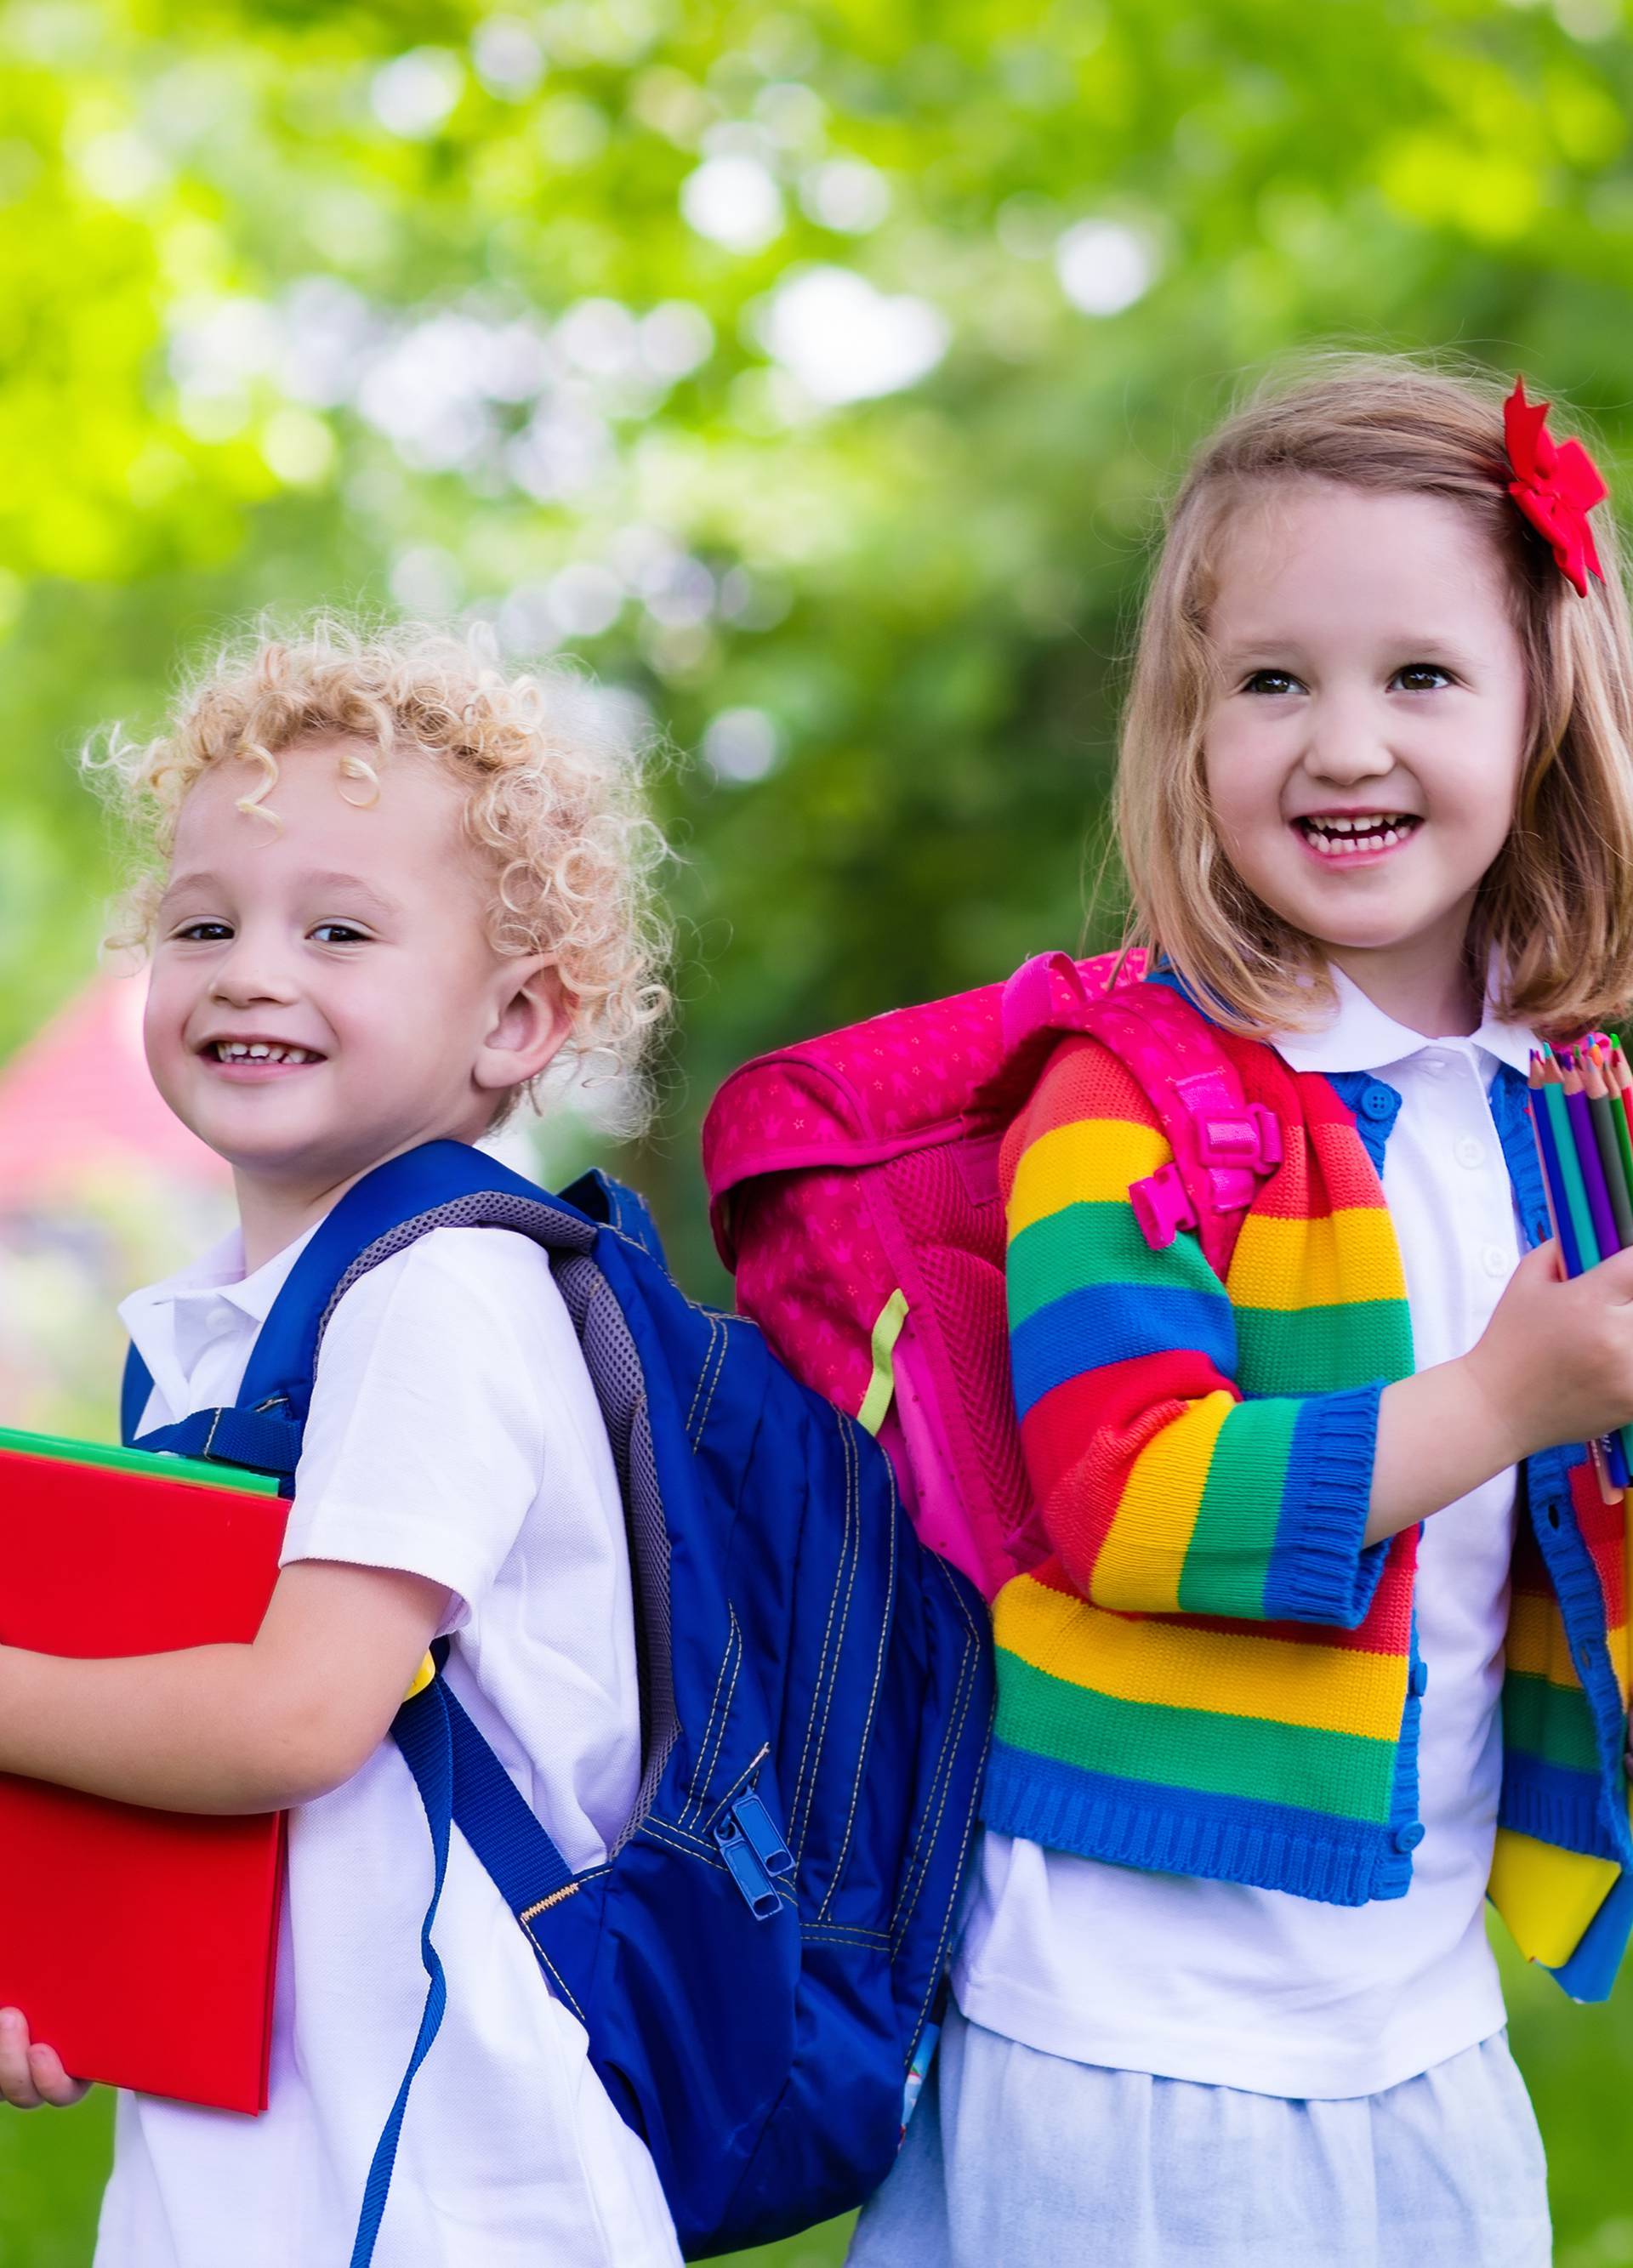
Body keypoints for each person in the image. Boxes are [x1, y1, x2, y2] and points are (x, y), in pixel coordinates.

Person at [848, 358, 1633, 2268]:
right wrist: (1504, 1394)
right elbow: (1132, 1496)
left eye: (1419, 676)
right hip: (1138, 2015)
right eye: (1272, 681)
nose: (1340, 742)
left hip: (1415, 1996)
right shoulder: (1134, 1095)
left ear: (1545, 705)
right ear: (1186, 733)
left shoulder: (1569, 1101)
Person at [0, 618, 683, 2268]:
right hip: (265, 2128)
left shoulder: (439, 1291)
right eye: (204, 920)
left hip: (449, 2170)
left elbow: (303, 1711)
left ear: (517, 1019)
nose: (250, 966)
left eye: (339, 928)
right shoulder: (228, 1321)